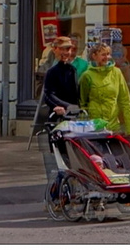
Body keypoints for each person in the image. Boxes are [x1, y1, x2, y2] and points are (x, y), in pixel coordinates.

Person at [35, 36, 82, 180]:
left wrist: (77, 108)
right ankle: (58, 191)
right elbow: (49, 94)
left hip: (72, 117)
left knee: (73, 155)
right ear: (55, 50)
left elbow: (75, 94)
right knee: (59, 157)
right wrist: (60, 106)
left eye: (68, 49)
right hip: (57, 118)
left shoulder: (72, 70)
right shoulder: (52, 72)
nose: (66, 52)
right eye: (63, 49)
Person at [75, 41, 130, 135]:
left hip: (114, 128)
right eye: (103, 54)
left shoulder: (117, 72)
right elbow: (83, 104)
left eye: (108, 54)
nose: (107, 57)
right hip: (94, 128)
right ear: (94, 56)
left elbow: (125, 101)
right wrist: (83, 130)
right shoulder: (87, 76)